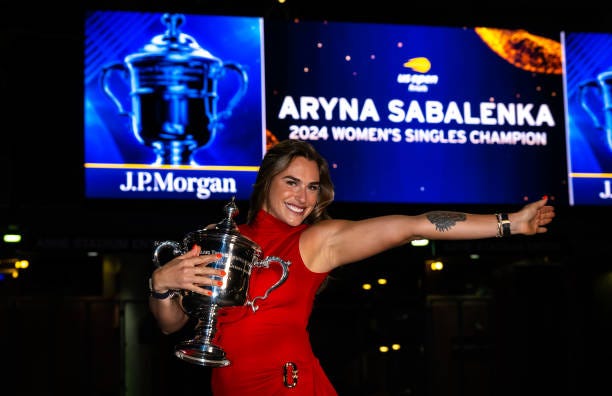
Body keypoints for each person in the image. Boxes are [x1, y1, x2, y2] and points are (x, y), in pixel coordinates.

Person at [148, 139, 555, 395]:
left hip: (288, 385)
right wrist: (161, 284)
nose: (303, 197)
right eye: (292, 182)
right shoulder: (220, 236)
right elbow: (171, 324)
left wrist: (509, 224)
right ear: (266, 182)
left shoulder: (314, 241)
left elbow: (409, 226)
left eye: (312, 187)